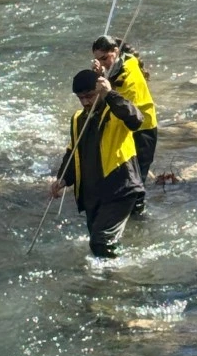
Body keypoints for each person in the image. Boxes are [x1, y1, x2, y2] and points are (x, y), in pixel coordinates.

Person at [50, 69, 144, 259]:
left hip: (120, 186)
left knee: (100, 241)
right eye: (81, 97)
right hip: (93, 192)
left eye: (90, 96)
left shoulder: (115, 110)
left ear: (100, 90)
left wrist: (110, 94)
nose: (85, 102)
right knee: (98, 239)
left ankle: (111, 282)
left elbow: (136, 119)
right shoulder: (78, 118)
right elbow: (73, 151)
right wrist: (62, 179)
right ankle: (121, 265)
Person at [90, 34, 157, 215]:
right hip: (124, 126)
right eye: (98, 59)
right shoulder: (118, 65)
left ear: (116, 52)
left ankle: (138, 213)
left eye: (105, 58)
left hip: (142, 128)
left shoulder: (129, 72)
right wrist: (99, 74)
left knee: (138, 177)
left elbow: (125, 108)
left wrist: (104, 82)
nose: (102, 63)